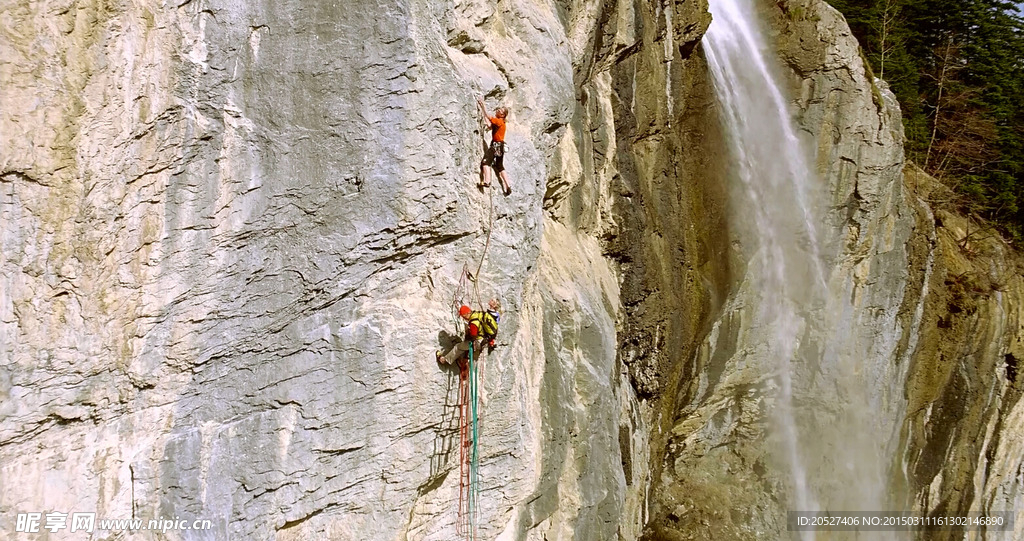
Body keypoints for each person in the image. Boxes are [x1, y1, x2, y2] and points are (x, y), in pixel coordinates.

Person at [477, 97, 512, 197]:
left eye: (499, 111)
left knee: (485, 163)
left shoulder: (499, 121)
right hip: (501, 146)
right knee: (499, 166)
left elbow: (489, 117)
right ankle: (508, 185)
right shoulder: (501, 123)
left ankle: (487, 181)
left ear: (502, 115)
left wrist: (483, 106)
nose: (497, 111)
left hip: (496, 145)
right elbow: (489, 125)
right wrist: (483, 114)